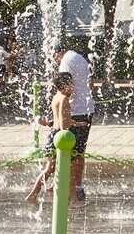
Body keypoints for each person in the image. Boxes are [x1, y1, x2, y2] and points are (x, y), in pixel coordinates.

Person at [25, 72, 90, 204]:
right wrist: (74, 128)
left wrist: (75, 123)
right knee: (71, 171)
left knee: (49, 169)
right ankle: (74, 200)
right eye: (71, 84)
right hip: (62, 138)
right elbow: (64, 123)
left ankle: (33, 194)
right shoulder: (64, 99)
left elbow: (59, 119)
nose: (73, 87)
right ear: (65, 85)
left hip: (54, 135)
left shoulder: (56, 97)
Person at [54, 45, 95, 203]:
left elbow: (62, 85)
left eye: (54, 57)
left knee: (70, 153)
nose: (55, 60)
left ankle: (70, 189)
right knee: (79, 152)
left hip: (75, 110)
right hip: (87, 108)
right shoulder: (80, 58)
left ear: (59, 53)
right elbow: (90, 84)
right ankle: (77, 186)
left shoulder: (66, 60)